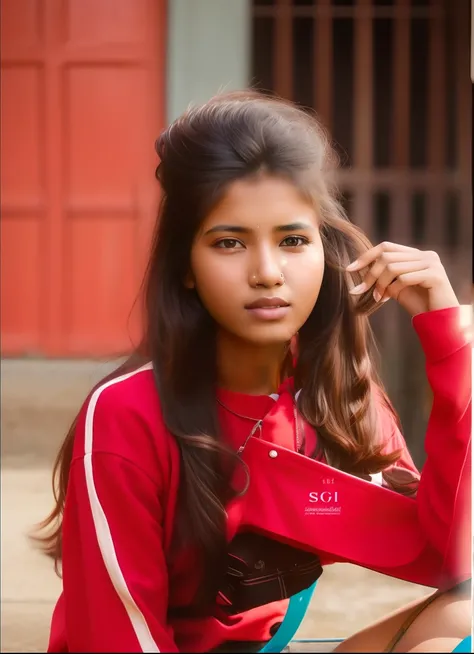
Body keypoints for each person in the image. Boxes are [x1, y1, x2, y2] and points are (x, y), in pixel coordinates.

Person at [35, 91, 471, 653]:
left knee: (465, 618)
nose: (267, 272)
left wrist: (451, 341)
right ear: (186, 266)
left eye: (292, 240)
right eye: (230, 243)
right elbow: (115, 639)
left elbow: (451, 554)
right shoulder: (127, 414)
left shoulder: (338, 400)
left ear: (325, 251)